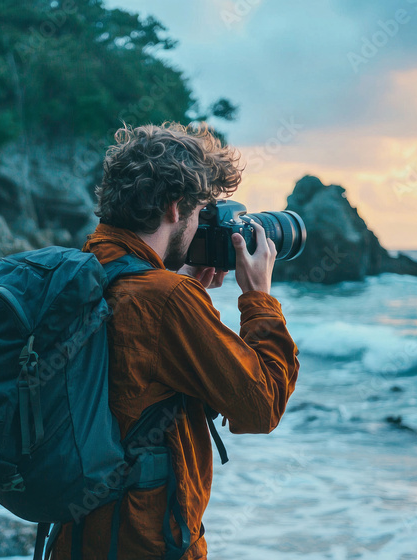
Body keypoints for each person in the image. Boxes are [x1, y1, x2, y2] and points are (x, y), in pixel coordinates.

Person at [49, 121, 300, 559]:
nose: (204, 224)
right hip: (144, 544)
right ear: (173, 207)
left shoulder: (83, 270)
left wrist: (186, 287)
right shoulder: (167, 299)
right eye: (202, 211)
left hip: (75, 537)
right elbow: (261, 406)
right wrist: (257, 297)